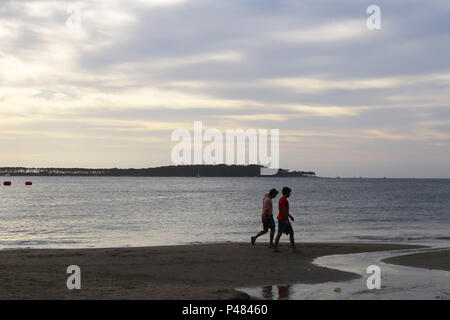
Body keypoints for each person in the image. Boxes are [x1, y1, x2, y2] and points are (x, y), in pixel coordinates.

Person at [273, 187, 296, 253]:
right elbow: (283, 211)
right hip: (283, 219)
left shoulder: (281, 199)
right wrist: (286, 220)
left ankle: (275, 247)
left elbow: (285, 210)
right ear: (286, 193)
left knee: (280, 233)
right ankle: (293, 248)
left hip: (281, 219)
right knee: (290, 233)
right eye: (289, 193)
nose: (290, 194)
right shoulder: (284, 200)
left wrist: (290, 216)